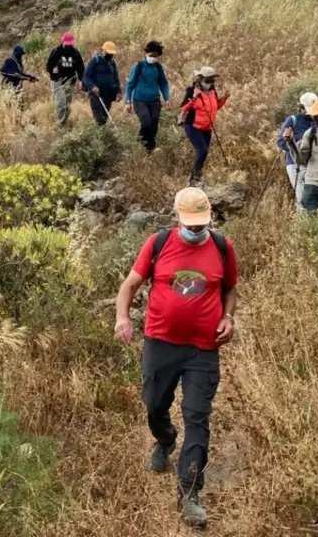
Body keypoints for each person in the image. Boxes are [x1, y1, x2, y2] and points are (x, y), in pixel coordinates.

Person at [114, 187, 238, 530]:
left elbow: (229, 288)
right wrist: (123, 318)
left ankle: (190, 494)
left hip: (203, 349)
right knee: (154, 404)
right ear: (178, 217)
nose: (196, 230)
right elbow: (130, 285)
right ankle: (165, 438)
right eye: (190, 224)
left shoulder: (222, 247)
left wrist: (229, 317)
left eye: (201, 224)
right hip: (161, 343)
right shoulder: (158, 243)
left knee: (197, 418)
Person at [179, 67, 229, 187]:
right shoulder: (191, 90)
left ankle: (195, 178)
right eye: (208, 80)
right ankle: (195, 178)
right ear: (201, 79)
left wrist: (225, 98)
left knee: (203, 153)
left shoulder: (212, 91)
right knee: (202, 150)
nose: (211, 83)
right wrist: (194, 97)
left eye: (212, 80)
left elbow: (215, 107)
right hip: (193, 126)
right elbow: (183, 107)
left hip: (207, 128)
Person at [125, 41, 173, 152]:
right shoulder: (139, 65)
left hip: (155, 100)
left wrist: (167, 99)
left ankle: (148, 150)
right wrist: (128, 102)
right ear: (146, 53)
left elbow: (163, 83)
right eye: (151, 55)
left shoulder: (158, 67)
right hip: (140, 101)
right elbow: (130, 84)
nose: (153, 58)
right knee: (146, 122)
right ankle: (145, 145)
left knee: (154, 124)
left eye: (156, 56)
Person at [277, 92, 318, 210]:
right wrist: (297, 145)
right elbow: (280, 142)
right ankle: (304, 225)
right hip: (295, 165)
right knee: (302, 198)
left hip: (314, 164)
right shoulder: (293, 120)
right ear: (301, 108)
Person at [46, 32, 84, 126]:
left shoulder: (75, 53)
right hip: (57, 81)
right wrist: (52, 69)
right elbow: (48, 65)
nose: (68, 45)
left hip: (70, 81)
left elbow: (80, 68)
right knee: (61, 103)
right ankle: (59, 124)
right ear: (62, 41)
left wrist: (81, 80)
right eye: (66, 43)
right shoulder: (56, 51)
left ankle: (64, 123)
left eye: (69, 43)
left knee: (67, 105)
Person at [83, 41, 123, 126]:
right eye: (108, 53)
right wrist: (93, 87)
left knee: (104, 119)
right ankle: (96, 136)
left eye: (111, 53)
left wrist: (119, 92)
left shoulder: (112, 63)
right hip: (96, 94)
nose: (110, 55)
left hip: (108, 95)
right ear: (103, 50)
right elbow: (86, 77)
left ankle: (102, 136)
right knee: (99, 118)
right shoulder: (95, 60)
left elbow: (116, 79)